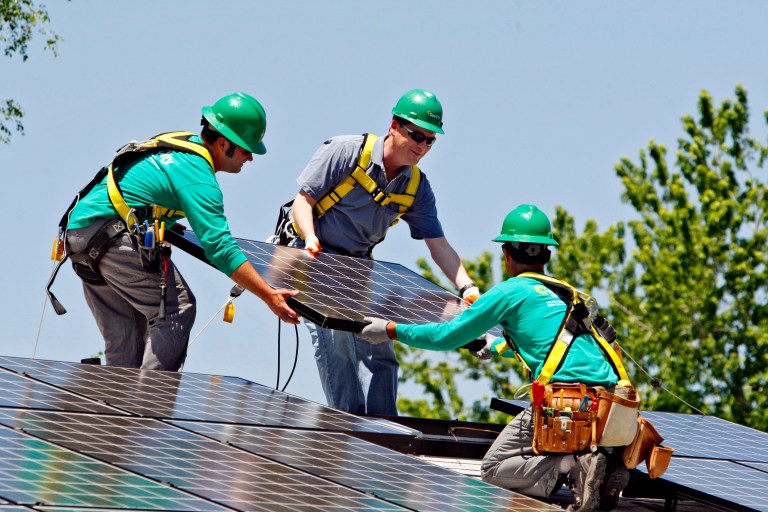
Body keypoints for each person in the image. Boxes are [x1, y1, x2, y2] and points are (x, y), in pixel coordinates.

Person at [357, 204, 631, 512]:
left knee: (493, 467)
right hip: (611, 403)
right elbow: (559, 343)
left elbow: (445, 336)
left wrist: (392, 329)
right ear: (547, 255)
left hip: (567, 402)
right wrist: (496, 346)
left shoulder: (509, 292)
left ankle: (572, 465)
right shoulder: (569, 294)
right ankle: (607, 463)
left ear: (507, 255)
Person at [63, 92, 299, 372]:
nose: (250, 157)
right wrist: (269, 295)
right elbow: (219, 247)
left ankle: (122, 413)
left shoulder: (181, 146)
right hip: (109, 236)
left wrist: (158, 220)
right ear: (223, 143)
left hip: (79, 237)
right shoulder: (198, 176)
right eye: (246, 148)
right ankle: (151, 406)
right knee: (177, 308)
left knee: (127, 342)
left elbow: (143, 189)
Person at [287, 88, 479, 416]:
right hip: (314, 259)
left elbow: (439, 245)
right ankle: (348, 425)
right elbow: (302, 203)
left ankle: (384, 430)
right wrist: (309, 239)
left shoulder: (416, 187)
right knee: (339, 345)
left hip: (357, 267)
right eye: (416, 135)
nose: (422, 145)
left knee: (380, 347)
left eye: (430, 140)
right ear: (394, 125)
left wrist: (468, 287)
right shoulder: (345, 152)